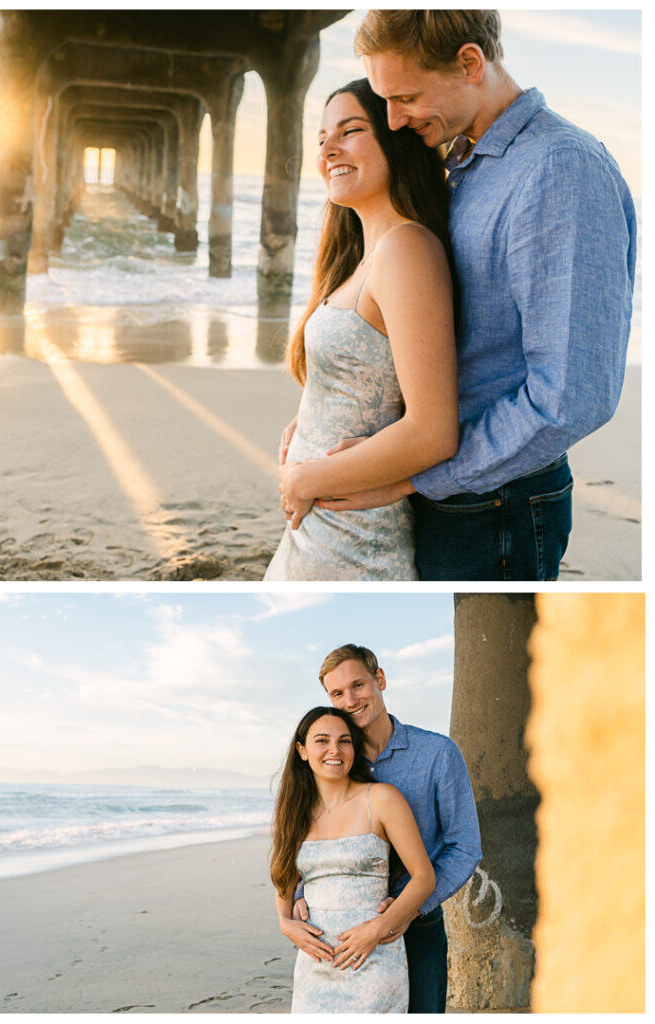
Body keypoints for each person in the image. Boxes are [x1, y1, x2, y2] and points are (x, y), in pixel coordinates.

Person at [313, 9, 637, 581]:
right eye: (384, 100)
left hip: (494, 502)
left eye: (407, 96)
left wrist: (417, 475)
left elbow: (572, 398)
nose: (393, 118)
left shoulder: (559, 169)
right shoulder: (466, 161)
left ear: (470, 63)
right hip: (450, 484)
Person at [264, 76, 458, 580]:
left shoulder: (407, 250)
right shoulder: (361, 256)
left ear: (395, 139)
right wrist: (307, 422)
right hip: (322, 527)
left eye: (350, 131)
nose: (329, 148)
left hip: (355, 537)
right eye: (322, 137)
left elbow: (433, 432)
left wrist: (305, 479)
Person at [292, 644, 482, 1013]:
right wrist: (299, 894)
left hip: (418, 921)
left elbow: (464, 846)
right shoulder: (335, 758)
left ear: (380, 680)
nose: (350, 700)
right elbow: (307, 831)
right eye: (337, 693)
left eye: (358, 685)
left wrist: (407, 911)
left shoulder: (437, 753)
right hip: (341, 930)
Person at [272, 705, 436, 1013]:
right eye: (322, 740)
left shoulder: (382, 799)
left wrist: (378, 928)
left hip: (374, 962)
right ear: (302, 750)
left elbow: (424, 877)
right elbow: (283, 879)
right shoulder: (294, 813)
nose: (334, 749)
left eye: (344, 740)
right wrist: (284, 922)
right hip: (314, 965)